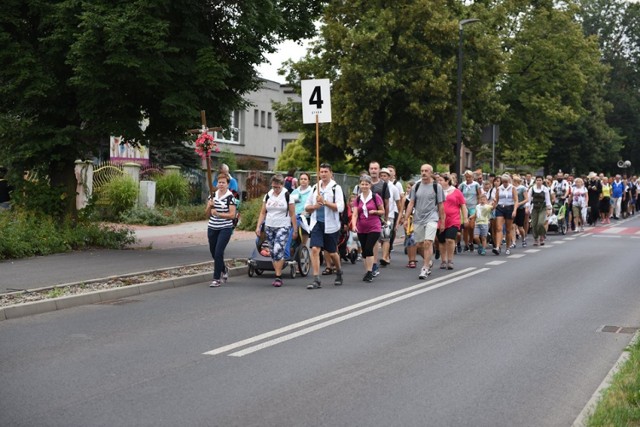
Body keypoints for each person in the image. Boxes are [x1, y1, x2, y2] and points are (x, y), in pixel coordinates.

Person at [399, 164, 445, 280]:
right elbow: (411, 203)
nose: (423, 173)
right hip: (418, 218)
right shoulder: (416, 186)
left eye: (426, 171)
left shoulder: (437, 187)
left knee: (428, 242)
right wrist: (406, 219)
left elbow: (441, 205)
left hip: (432, 217)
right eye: (422, 171)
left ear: (431, 173)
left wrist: (442, 221)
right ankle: (428, 261)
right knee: (419, 244)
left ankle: (424, 267)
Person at [305, 163, 345, 289]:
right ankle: (316, 279)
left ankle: (338, 271)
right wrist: (315, 206)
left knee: (332, 253)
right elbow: (307, 207)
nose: (323, 174)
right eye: (321, 172)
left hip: (331, 225)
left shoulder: (336, 188)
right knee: (315, 249)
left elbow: (340, 207)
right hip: (317, 223)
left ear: (331, 173)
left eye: (325, 171)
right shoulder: (314, 188)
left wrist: (325, 202)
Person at [255, 174, 297, 287]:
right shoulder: (268, 195)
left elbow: (293, 214)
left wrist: (295, 230)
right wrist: (258, 226)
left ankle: (278, 276)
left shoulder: (288, 195)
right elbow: (263, 212)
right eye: (274, 187)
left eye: (277, 187)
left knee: (278, 249)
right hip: (269, 226)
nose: (275, 189)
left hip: (283, 226)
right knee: (273, 252)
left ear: (282, 185)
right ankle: (277, 273)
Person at [205, 173, 237, 287]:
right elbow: (207, 214)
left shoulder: (230, 197)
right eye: (219, 182)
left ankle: (216, 279)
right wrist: (209, 206)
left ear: (228, 184)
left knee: (219, 252)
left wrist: (219, 214)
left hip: (225, 228)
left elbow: (232, 215)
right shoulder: (212, 195)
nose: (221, 184)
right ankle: (224, 268)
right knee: (214, 253)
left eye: (223, 182)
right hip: (212, 227)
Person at [351, 175, 383, 282]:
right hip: (362, 227)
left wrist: (375, 212)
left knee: (369, 248)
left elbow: (382, 211)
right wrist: (354, 225)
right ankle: (367, 271)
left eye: (366, 184)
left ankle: (370, 272)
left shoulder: (375, 197)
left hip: (374, 226)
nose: (364, 186)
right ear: (360, 185)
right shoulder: (358, 198)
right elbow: (355, 214)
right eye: (362, 184)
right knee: (364, 250)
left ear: (370, 185)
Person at [437, 174, 467, 270]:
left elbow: (463, 205)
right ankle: (443, 260)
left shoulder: (456, 192)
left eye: (441, 180)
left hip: (453, 219)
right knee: (441, 241)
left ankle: (450, 260)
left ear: (447, 181)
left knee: (450, 239)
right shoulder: (437, 192)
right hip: (440, 219)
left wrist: (465, 218)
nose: (439, 182)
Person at [379, 167, 401, 266]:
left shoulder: (394, 188)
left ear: (389, 177)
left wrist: (401, 216)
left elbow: (398, 203)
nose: (383, 177)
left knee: (386, 236)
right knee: (380, 237)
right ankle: (385, 254)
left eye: (385, 176)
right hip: (377, 215)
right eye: (381, 175)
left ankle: (385, 256)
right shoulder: (377, 186)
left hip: (390, 216)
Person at [492, 174, 518, 255]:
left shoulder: (512, 188)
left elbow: (516, 200)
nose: (505, 183)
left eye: (506, 182)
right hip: (500, 208)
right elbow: (496, 199)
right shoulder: (499, 188)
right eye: (503, 182)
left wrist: (514, 210)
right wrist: (493, 205)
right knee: (498, 228)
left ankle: (507, 247)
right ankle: (497, 246)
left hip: (509, 208)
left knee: (508, 229)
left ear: (509, 181)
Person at [459, 170, 481, 252]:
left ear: (472, 177)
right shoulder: (462, 185)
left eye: (470, 177)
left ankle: (471, 241)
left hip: (473, 207)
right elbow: (458, 194)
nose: (468, 178)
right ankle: (466, 243)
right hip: (464, 207)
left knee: (471, 226)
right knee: (465, 226)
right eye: (467, 177)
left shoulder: (476, 185)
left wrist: (478, 206)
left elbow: (479, 195)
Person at [528, 176, 552, 246]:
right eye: (537, 180)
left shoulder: (545, 189)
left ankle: (542, 235)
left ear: (542, 181)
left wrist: (548, 209)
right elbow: (529, 199)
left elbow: (548, 200)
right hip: (534, 208)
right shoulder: (532, 189)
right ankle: (536, 238)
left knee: (540, 223)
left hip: (542, 208)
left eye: (540, 180)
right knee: (534, 224)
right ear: (535, 181)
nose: (538, 181)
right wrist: (527, 208)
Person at [290, 172, 312, 245]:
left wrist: (307, 212)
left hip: (306, 218)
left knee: (302, 243)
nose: (303, 180)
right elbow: (291, 205)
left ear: (308, 181)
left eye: (305, 179)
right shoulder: (295, 191)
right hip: (295, 217)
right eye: (301, 179)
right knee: (292, 242)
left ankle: (302, 250)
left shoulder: (312, 192)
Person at [513, 175, 529, 247]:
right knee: (512, 226)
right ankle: (513, 242)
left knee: (520, 227)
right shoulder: (511, 188)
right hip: (512, 208)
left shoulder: (522, 188)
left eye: (513, 181)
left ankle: (523, 238)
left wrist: (519, 203)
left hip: (520, 208)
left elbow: (526, 199)